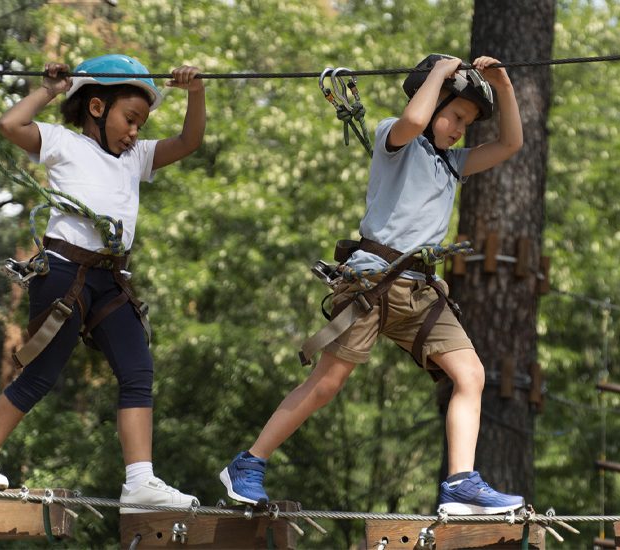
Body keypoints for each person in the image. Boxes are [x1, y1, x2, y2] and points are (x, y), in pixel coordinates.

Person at [220, 53, 526, 515]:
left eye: (467, 122)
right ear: (434, 97)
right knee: (327, 383)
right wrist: (443, 72)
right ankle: (248, 464)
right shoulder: (394, 138)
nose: (461, 128)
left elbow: (510, 145)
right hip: (372, 282)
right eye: (456, 115)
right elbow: (413, 119)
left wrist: (504, 86)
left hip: (420, 292)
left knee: (471, 374)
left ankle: (461, 482)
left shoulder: (453, 163)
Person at [0, 54, 206, 512]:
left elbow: (190, 140)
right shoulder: (64, 144)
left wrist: (196, 91)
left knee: (138, 373)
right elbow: (11, 124)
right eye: (130, 119)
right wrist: (50, 88)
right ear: (96, 108)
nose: (135, 131)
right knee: (41, 375)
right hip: (64, 273)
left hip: (111, 280)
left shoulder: (137, 157)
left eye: (140, 123)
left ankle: (140, 482)